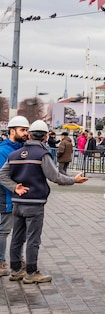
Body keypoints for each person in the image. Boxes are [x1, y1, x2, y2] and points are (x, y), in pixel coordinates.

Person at [0, 120, 89, 284]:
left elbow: (2, 175)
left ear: (29, 134)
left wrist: (15, 188)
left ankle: (16, 270)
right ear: (46, 137)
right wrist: (73, 180)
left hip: (18, 203)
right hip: (34, 203)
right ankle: (31, 272)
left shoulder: (14, 155)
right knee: (33, 239)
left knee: (17, 238)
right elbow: (54, 176)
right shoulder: (42, 154)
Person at [0, 115, 30, 278]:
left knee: (20, 231)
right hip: (7, 196)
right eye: (22, 130)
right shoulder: (3, 150)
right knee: (4, 230)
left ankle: (18, 260)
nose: (26, 133)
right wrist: (14, 187)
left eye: (27, 130)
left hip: (21, 197)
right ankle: (0, 262)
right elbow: (2, 176)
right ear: (12, 131)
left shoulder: (23, 149)